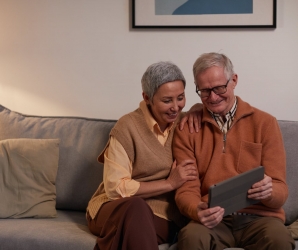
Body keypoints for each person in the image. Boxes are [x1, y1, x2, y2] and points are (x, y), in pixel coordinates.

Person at [173, 52, 295, 250]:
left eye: (219, 88)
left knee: (280, 240)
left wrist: (269, 192)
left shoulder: (265, 123)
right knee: (191, 237)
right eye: (204, 91)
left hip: (259, 219)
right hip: (213, 220)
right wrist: (197, 210)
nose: (213, 97)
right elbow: (186, 188)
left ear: (234, 80)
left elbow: (281, 189)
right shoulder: (188, 128)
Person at [86, 61, 201, 250]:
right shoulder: (127, 127)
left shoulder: (186, 123)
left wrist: (198, 108)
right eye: (167, 101)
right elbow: (115, 188)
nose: (175, 107)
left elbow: (218, 106)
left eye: (180, 98)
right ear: (147, 98)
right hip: (114, 209)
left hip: (162, 215)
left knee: (132, 229)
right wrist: (169, 184)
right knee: (136, 207)